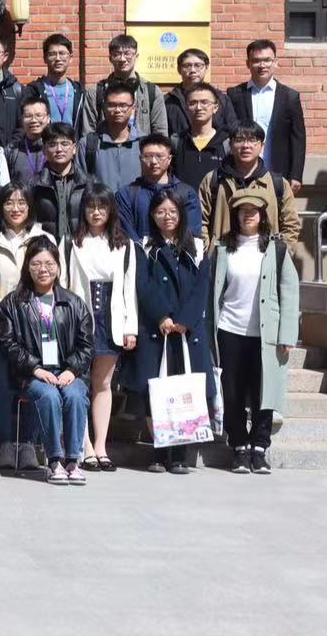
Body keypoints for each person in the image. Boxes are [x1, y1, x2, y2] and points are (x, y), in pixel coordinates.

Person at [211, 193, 300, 475]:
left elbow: (290, 291)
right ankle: (239, 446)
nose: (248, 215)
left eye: (254, 210)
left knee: (264, 391)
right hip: (229, 328)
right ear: (235, 216)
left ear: (262, 215)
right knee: (233, 392)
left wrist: (287, 334)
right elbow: (213, 290)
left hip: (266, 333)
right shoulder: (223, 248)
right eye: (242, 211)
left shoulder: (276, 249)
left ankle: (259, 448)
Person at [0, 238, 95, 485]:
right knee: (49, 396)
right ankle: (54, 461)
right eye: (36, 263)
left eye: (49, 264)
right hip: (31, 374)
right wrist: (35, 368)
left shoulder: (74, 303)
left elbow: (86, 345)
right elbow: (8, 344)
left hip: (67, 372)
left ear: (58, 267)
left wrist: (72, 369)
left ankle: (73, 461)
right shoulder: (12, 304)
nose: (43, 269)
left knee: (75, 395)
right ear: (27, 267)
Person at [136, 190, 214, 474]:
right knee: (156, 393)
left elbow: (201, 287)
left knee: (185, 392)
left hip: (187, 332)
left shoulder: (196, 247)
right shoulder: (145, 247)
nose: (166, 217)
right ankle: (159, 452)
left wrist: (184, 320)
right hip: (158, 331)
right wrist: (162, 316)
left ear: (181, 214)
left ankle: (180, 454)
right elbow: (143, 285)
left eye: (172, 211)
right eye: (160, 212)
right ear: (152, 216)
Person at [0, 182, 51, 469]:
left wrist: (31, 321)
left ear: (30, 206)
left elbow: (51, 279)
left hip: (36, 329)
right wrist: (5, 321)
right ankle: (6, 444)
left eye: (21, 202)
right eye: (9, 202)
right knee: (1, 388)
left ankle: (29, 443)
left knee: (33, 385)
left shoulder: (43, 238)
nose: (15, 208)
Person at [65, 189, 139, 472]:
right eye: (91, 207)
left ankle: (100, 447)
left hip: (111, 316)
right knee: (79, 382)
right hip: (80, 317)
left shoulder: (124, 245)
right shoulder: (71, 242)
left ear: (111, 211)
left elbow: (129, 288)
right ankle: (83, 446)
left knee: (103, 383)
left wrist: (130, 328)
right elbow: (65, 283)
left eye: (102, 207)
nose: (96, 213)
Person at [198, 123, 304, 271]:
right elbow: (199, 221)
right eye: (239, 139)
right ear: (230, 145)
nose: (246, 145)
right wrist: (208, 255)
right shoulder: (213, 181)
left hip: (264, 264)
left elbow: (291, 225)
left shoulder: (278, 184)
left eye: (253, 140)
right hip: (222, 264)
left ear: (262, 146)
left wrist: (278, 257)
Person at [115, 133, 203, 242]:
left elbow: (191, 233)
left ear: (169, 159)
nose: (154, 162)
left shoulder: (187, 193)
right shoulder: (126, 195)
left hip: (178, 252)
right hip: (139, 252)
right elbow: (127, 235)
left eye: (159, 156)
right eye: (148, 156)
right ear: (140, 159)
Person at [28, 123, 92, 243]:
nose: (59, 149)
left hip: (80, 247)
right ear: (44, 150)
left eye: (65, 144)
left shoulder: (87, 184)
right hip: (46, 248)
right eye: (52, 144)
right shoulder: (34, 185)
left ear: (74, 148)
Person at [23, 33, 95, 138]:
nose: (58, 58)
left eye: (62, 53)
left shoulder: (79, 91)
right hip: (45, 146)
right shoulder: (34, 90)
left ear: (70, 58)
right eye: (52, 54)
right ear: (45, 58)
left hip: (72, 146)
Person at [81, 81, 146, 194]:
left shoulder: (143, 144)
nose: (117, 110)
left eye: (123, 105)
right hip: (100, 205)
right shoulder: (88, 144)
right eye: (112, 105)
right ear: (104, 107)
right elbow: (80, 185)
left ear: (133, 108)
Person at [165, 47, 240, 143]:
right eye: (187, 66)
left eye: (198, 65)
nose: (193, 70)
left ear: (206, 68)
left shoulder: (221, 98)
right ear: (179, 69)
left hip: (215, 150)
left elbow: (232, 130)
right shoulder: (168, 101)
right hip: (179, 150)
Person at [102, 34, 169, 136]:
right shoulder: (97, 92)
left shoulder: (152, 92)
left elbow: (160, 132)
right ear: (110, 58)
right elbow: (89, 132)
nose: (122, 59)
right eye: (117, 54)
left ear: (136, 56)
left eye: (127, 54)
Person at [172, 83, 232, 192]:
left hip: (216, 202)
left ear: (215, 108)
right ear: (186, 108)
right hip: (183, 202)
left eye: (205, 102)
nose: (199, 107)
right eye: (193, 103)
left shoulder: (226, 143)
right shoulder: (176, 142)